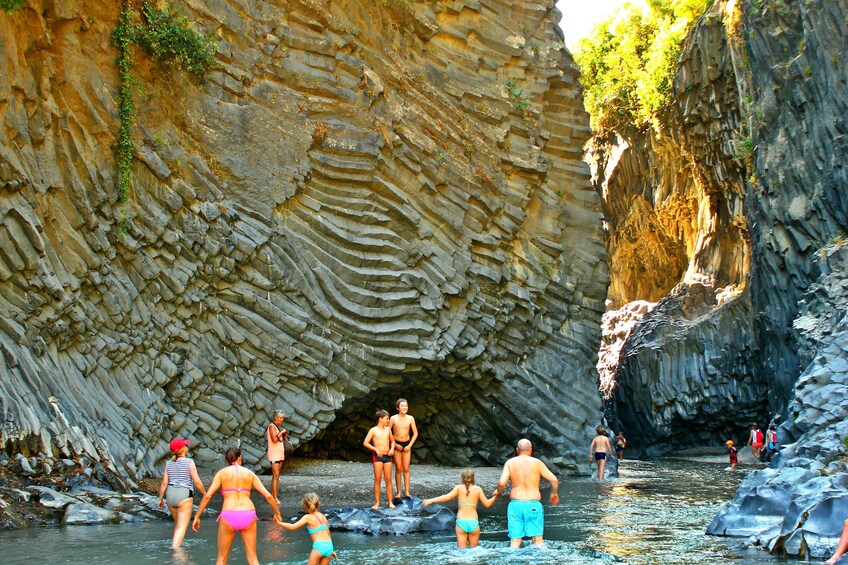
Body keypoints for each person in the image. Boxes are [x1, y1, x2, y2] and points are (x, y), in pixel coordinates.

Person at [192, 447, 282, 565]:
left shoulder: (222, 473)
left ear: (227, 460)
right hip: (248, 514)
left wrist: (197, 516)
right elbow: (268, 496)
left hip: (229, 513)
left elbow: (208, 496)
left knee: (221, 559)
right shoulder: (249, 474)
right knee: (253, 559)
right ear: (240, 457)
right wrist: (278, 514)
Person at [494, 438, 559, 548]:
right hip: (533, 504)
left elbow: (501, 483)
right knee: (538, 540)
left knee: (515, 540)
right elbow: (554, 479)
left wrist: (498, 492)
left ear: (517, 450)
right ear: (531, 450)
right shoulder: (537, 463)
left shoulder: (510, 463)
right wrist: (554, 493)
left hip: (516, 505)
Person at [422, 469, 498, 548]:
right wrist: (496, 496)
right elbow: (487, 504)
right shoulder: (478, 489)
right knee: (474, 551)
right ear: (473, 478)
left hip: (461, 523)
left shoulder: (458, 488)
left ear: (462, 479)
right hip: (474, 523)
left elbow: (446, 497)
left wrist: (430, 500)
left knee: (461, 552)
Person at [157, 438, 207, 548]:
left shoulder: (168, 464)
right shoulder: (189, 462)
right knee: (182, 527)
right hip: (184, 494)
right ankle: (176, 552)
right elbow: (197, 481)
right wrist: (205, 493)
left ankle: (178, 544)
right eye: (185, 445)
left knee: (178, 525)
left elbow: (164, 483)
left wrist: (160, 499)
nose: (187, 446)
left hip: (170, 495)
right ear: (183, 449)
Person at [275, 492, 337, 564]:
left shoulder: (307, 517)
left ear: (304, 506)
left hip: (319, 547)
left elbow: (293, 527)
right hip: (329, 546)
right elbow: (328, 533)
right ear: (318, 504)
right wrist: (331, 550)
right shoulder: (323, 516)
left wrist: (279, 523)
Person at [363, 409, 395, 509]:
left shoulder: (388, 430)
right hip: (377, 456)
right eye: (386, 418)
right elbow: (365, 443)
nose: (388, 420)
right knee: (378, 479)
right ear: (380, 419)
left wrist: (392, 449)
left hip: (387, 456)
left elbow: (393, 441)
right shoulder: (373, 430)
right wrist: (376, 449)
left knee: (388, 479)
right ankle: (377, 503)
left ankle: (390, 502)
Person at [390, 398, 418, 500]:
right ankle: (398, 492)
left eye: (406, 406)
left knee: (406, 468)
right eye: (402, 406)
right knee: (398, 468)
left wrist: (410, 445)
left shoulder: (410, 418)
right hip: (397, 444)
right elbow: (388, 432)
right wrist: (395, 445)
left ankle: (407, 491)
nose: (404, 407)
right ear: (397, 407)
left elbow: (415, 433)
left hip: (407, 444)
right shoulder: (393, 418)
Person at [267, 409, 289, 505]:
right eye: (280, 418)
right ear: (276, 418)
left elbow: (279, 439)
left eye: (282, 418)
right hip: (274, 454)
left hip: (279, 453)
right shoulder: (272, 426)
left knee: (276, 476)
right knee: (275, 475)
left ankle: (273, 495)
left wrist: (284, 435)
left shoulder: (277, 427)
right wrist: (282, 432)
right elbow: (274, 439)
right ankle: (275, 498)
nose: (282, 420)